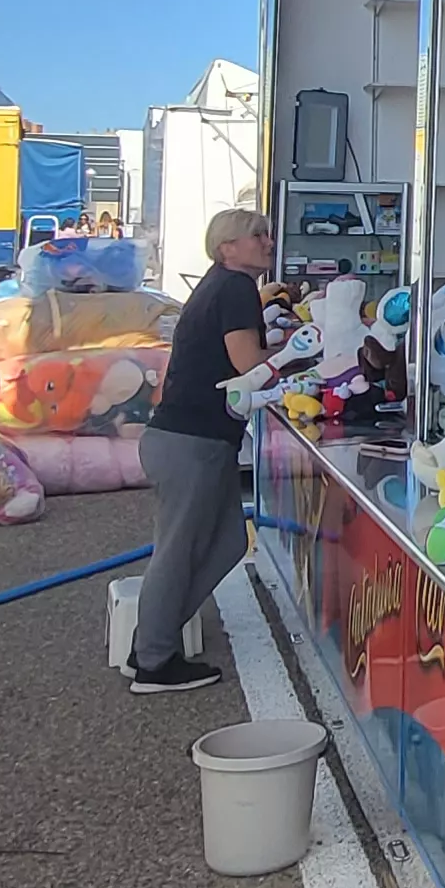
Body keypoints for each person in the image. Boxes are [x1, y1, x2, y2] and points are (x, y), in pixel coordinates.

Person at [129, 207, 271, 692]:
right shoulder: (235, 289)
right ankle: (153, 659)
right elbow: (249, 365)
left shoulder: (218, 286)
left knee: (230, 540)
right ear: (226, 246)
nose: (268, 242)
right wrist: (311, 357)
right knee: (178, 551)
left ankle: (155, 636)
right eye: (257, 235)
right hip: (194, 441)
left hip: (187, 439)